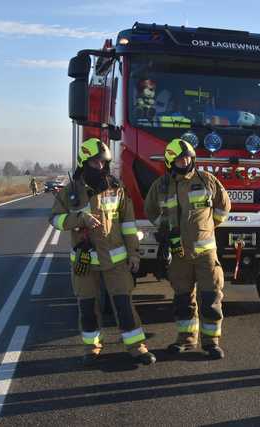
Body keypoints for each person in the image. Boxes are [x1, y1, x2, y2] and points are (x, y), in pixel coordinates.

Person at [49, 137, 155, 366]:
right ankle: (92, 348)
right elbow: (55, 219)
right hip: (85, 262)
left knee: (124, 306)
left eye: (103, 163)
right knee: (87, 307)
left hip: (116, 261)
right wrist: (79, 218)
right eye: (95, 163)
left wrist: (134, 254)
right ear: (84, 163)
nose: (100, 167)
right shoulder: (70, 192)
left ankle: (137, 347)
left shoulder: (117, 190)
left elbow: (128, 225)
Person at [144, 138, 231, 359]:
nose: (185, 161)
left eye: (188, 158)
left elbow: (224, 205)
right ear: (171, 162)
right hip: (178, 254)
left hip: (205, 254)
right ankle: (186, 339)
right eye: (181, 159)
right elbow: (150, 210)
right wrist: (162, 227)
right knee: (183, 299)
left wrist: (209, 226)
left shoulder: (207, 180)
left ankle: (211, 343)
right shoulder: (161, 186)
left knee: (211, 298)